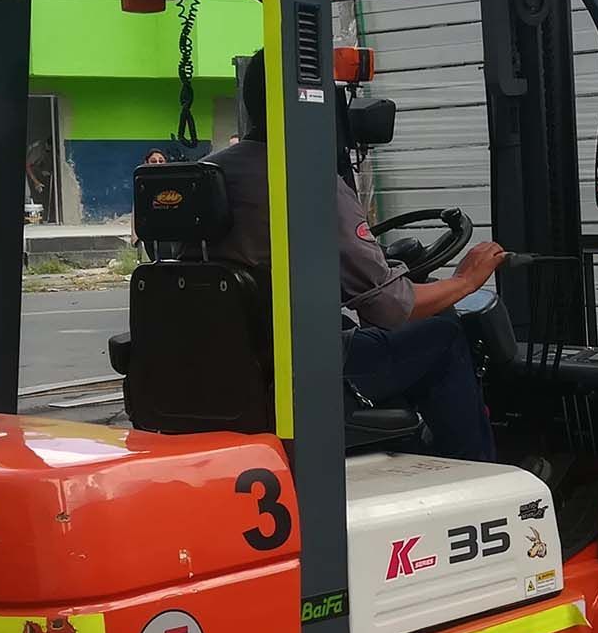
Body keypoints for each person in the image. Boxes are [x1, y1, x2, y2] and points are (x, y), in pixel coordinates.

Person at [205, 51, 505, 461]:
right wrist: (466, 280)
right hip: (299, 372)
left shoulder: (208, 172)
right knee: (445, 336)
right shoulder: (308, 181)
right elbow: (391, 307)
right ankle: (477, 472)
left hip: (224, 364)